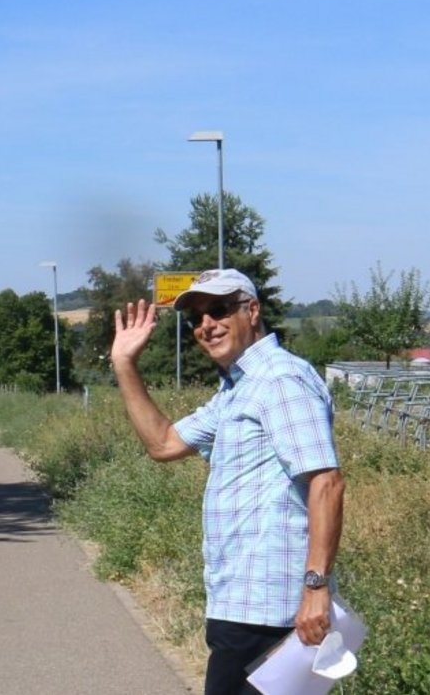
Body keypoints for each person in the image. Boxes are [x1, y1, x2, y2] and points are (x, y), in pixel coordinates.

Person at [110, 268, 345, 695]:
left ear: (252, 310)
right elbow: (163, 444)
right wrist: (124, 364)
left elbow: (326, 481)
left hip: (272, 612)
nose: (206, 325)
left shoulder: (280, 380)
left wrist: (316, 587)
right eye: (196, 318)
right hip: (241, 604)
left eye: (218, 309)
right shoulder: (237, 390)